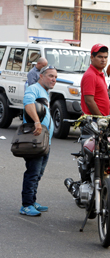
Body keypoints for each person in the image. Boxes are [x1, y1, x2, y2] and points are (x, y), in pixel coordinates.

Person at [20, 65, 56, 216]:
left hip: (44, 141)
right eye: (50, 76)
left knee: (38, 173)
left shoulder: (45, 92)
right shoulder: (33, 88)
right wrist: (36, 122)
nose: (53, 79)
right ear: (41, 76)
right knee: (33, 173)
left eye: (55, 77)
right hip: (35, 139)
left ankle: (32, 201)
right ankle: (26, 205)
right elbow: (28, 104)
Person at [81, 44, 110, 116]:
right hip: (94, 121)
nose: (103, 60)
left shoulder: (99, 74)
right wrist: (100, 118)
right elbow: (89, 101)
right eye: (100, 57)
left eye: (105, 57)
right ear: (92, 57)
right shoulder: (90, 75)